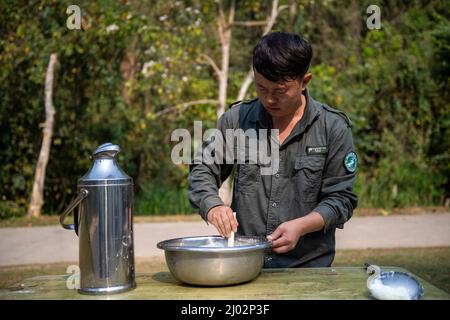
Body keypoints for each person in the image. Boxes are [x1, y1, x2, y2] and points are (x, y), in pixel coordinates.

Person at [188, 31, 358, 268]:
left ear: (304, 82)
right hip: (246, 265)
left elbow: (341, 199)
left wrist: (302, 226)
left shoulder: (333, 128)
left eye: (279, 91)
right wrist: (212, 205)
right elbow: (202, 168)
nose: (269, 99)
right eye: (261, 88)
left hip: (308, 269)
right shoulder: (236, 120)